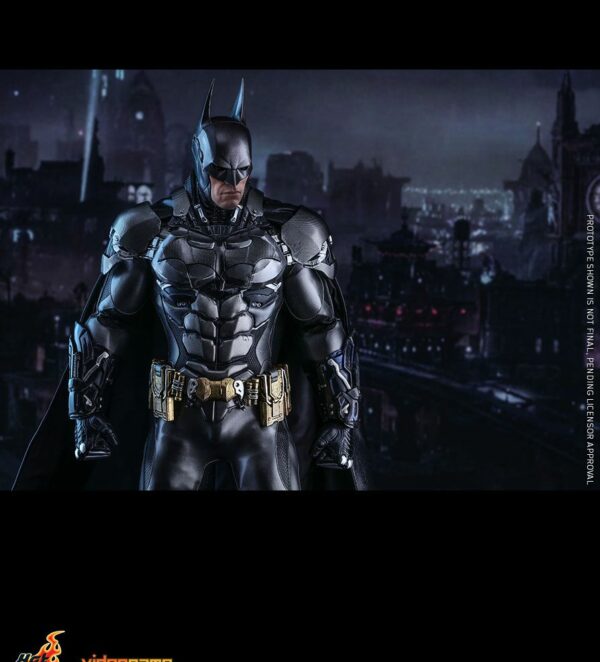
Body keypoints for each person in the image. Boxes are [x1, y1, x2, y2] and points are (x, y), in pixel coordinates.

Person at [13, 80, 368, 490]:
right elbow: (107, 325)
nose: (233, 183)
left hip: (258, 419)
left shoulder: (288, 234)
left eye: (243, 172)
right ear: (199, 163)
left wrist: (341, 422)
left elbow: (323, 330)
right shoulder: (150, 231)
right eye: (221, 172)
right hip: (178, 418)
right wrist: (85, 414)